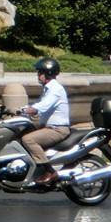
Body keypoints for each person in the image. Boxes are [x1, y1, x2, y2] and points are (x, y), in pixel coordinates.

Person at [20, 57, 70, 186]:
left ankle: (49, 171)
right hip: (49, 127)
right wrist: (20, 110)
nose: (38, 75)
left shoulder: (55, 89)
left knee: (28, 139)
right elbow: (38, 104)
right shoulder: (47, 89)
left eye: (40, 72)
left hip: (57, 129)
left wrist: (26, 110)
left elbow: (43, 106)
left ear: (48, 73)